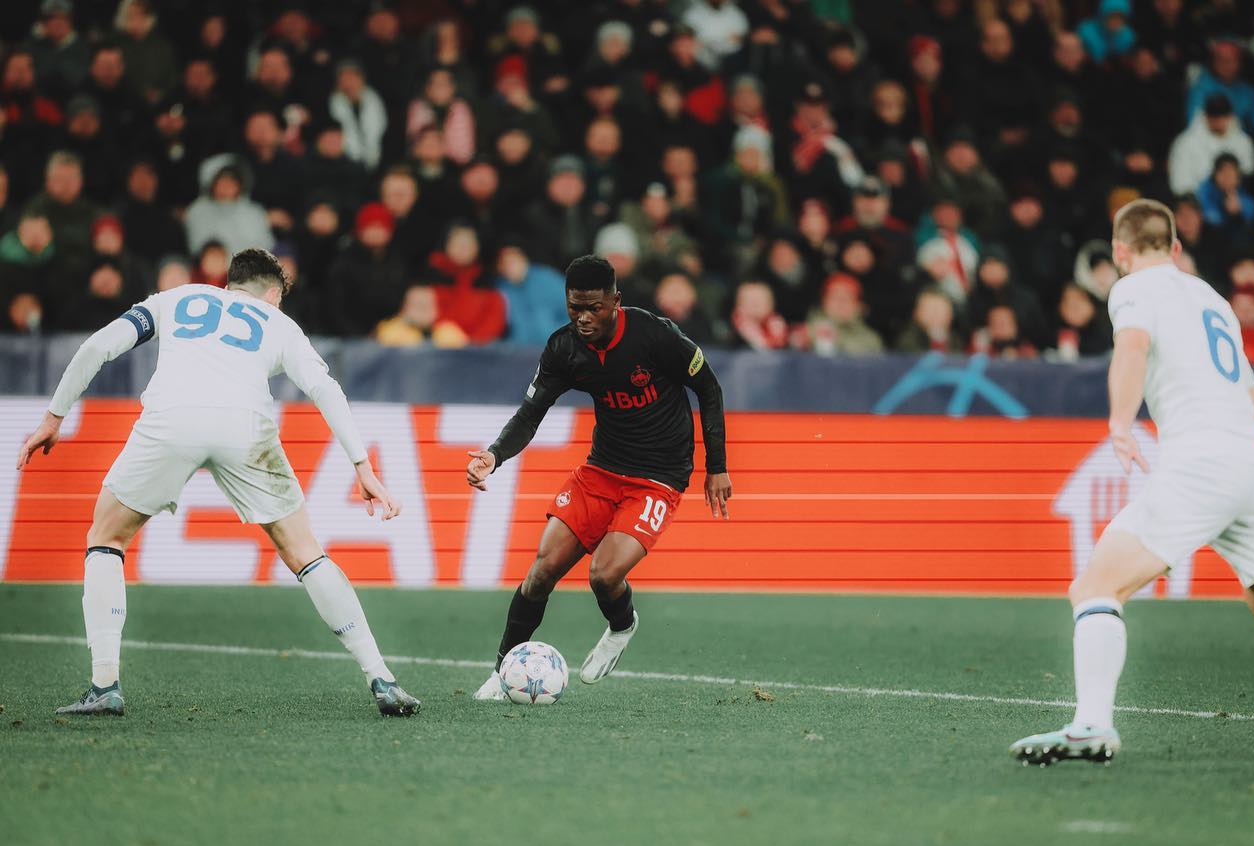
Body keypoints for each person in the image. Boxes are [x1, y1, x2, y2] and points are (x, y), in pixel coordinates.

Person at [16, 247, 421, 718]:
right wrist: (362, 466)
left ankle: (105, 684)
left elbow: (96, 347)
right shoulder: (279, 324)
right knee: (305, 551)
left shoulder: (176, 298)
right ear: (272, 295)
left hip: (171, 420)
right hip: (244, 428)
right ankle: (381, 678)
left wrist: (54, 416)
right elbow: (324, 388)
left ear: (230, 283)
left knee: (106, 536)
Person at [1010, 200, 1254, 766]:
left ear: (1120, 251)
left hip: (1202, 464)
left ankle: (1091, 726)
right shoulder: (1213, 299)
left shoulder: (1133, 288)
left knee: (1095, 587)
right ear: (1176, 248)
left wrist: (1120, 422)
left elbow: (1132, 349)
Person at [466, 255, 730, 699]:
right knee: (541, 572)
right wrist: (494, 455)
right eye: (575, 308)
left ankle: (622, 625)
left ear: (615, 301)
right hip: (601, 469)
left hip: (658, 477)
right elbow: (531, 413)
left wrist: (716, 466)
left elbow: (709, 386)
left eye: (594, 308)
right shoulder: (564, 348)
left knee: (603, 576)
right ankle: (501, 672)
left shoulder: (654, 334)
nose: (584, 318)